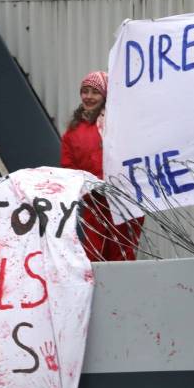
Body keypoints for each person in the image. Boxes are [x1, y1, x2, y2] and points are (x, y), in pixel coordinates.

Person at [60, 71, 141, 261]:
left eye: (95, 92)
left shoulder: (120, 124)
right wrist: (89, 185)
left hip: (124, 201)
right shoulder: (73, 131)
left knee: (122, 256)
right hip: (93, 203)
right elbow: (67, 167)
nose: (88, 97)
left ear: (106, 95)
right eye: (85, 91)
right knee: (94, 256)